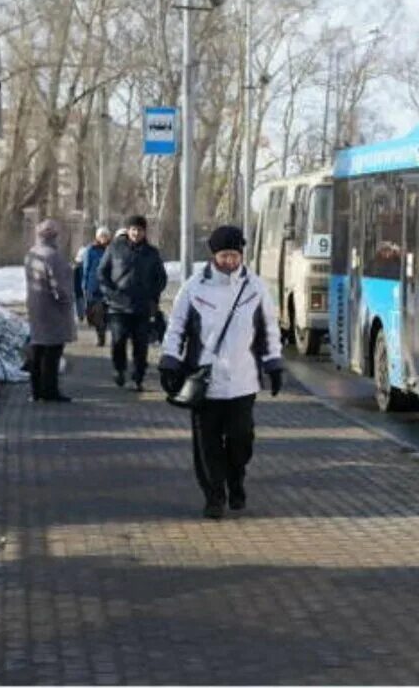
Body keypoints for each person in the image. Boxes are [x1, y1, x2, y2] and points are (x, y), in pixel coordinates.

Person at [159, 225, 284, 519]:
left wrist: (274, 364)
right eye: (224, 256)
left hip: (243, 380)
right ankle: (214, 496)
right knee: (207, 444)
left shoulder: (255, 287)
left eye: (234, 255)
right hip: (205, 381)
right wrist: (170, 361)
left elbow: (268, 329)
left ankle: (235, 478)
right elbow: (176, 327)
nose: (230, 261)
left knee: (242, 439)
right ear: (214, 255)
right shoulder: (194, 287)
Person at [98, 215, 167, 391]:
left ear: (144, 232)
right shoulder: (115, 248)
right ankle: (119, 369)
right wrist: (110, 293)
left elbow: (161, 278)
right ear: (128, 231)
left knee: (141, 345)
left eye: (140, 230)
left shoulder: (152, 253)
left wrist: (152, 296)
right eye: (133, 229)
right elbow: (102, 273)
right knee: (118, 339)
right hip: (118, 306)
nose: (136, 233)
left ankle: (138, 376)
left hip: (141, 307)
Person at [24, 219, 76, 402]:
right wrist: (66, 301)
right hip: (52, 309)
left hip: (35, 307)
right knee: (52, 351)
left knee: (37, 349)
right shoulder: (52, 256)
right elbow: (59, 286)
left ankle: (36, 390)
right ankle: (50, 390)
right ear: (54, 236)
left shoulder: (31, 254)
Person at [80, 226, 112, 347]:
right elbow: (86, 268)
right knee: (92, 314)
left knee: (101, 313)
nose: (103, 238)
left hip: (106, 287)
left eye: (105, 236)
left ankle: (101, 335)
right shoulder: (90, 250)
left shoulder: (111, 249)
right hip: (93, 286)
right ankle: (100, 329)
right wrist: (84, 284)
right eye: (101, 236)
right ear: (97, 237)